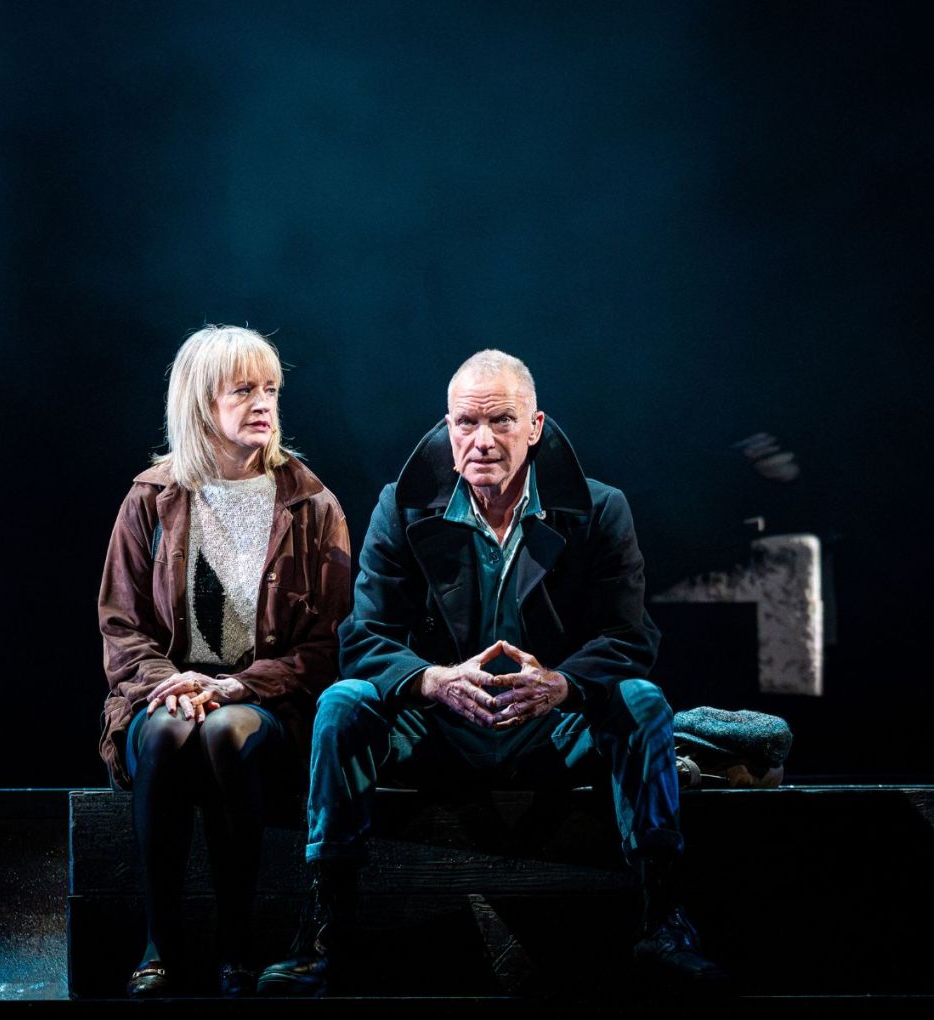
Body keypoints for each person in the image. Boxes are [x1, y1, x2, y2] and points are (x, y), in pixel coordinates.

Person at [257, 349, 724, 995]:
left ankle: (663, 923)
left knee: (642, 699)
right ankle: (321, 930)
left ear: (534, 426)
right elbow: (363, 637)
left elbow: (629, 637)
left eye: (500, 422)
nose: (481, 441)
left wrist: (562, 683)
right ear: (447, 428)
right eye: (464, 424)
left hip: (550, 728)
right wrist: (431, 680)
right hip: (440, 727)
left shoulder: (599, 508)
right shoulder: (403, 506)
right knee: (342, 703)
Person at [98, 325, 352, 997]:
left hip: (269, 705)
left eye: (270, 388)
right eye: (243, 389)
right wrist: (169, 684)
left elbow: (328, 644)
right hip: (169, 697)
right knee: (166, 733)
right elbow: (121, 627)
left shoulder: (312, 504)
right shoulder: (150, 498)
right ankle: (159, 944)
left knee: (223, 730)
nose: (263, 402)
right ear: (200, 402)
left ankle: (236, 946)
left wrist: (238, 683)